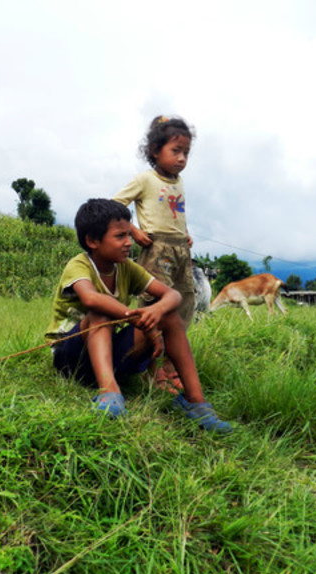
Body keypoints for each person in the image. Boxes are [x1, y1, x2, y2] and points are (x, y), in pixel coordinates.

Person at [45, 198, 231, 432]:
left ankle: (196, 402)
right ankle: (109, 392)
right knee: (101, 312)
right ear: (92, 241)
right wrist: (134, 317)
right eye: (120, 236)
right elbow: (91, 299)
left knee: (169, 316)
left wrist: (156, 310)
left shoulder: (125, 267)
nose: (128, 243)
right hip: (70, 359)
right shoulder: (80, 264)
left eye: (128, 235)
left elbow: (172, 295)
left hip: (107, 355)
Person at [113, 115, 197, 393]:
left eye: (186, 152)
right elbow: (114, 205)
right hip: (155, 250)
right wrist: (132, 231)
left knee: (184, 305)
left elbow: (174, 213)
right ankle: (152, 369)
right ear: (155, 151)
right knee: (156, 309)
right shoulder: (145, 180)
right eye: (176, 151)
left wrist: (183, 233)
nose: (182, 158)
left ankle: (171, 367)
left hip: (180, 251)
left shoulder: (180, 182)